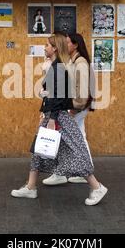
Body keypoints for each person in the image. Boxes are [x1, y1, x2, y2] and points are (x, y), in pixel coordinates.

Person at [11, 33, 108, 206]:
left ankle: (96, 186)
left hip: (57, 116)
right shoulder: (56, 66)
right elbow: (55, 93)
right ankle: (31, 186)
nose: (45, 48)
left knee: (74, 151)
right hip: (53, 114)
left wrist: (52, 118)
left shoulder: (59, 68)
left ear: (55, 48)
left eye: (47, 45)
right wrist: (45, 96)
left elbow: (59, 97)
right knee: (39, 150)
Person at [42, 33, 94, 186]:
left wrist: (75, 108)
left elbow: (82, 90)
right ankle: (64, 172)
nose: (65, 45)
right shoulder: (72, 61)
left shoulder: (81, 62)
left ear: (76, 45)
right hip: (71, 105)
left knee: (77, 139)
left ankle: (84, 172)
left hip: (76, 107)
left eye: (68, 43)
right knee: (73, 138)